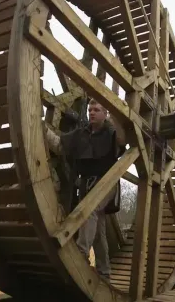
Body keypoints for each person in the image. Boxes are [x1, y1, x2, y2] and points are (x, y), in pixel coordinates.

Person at [45, 98, 126, 283]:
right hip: (86, 186)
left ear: (105, 114)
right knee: (99, 232)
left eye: (97, 109)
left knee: (90, 212)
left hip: (106, 184)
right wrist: (42, 129)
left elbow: (122, 141)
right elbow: (59, 145)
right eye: (90, 109)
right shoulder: (80, 134)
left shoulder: (112, 133)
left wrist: (118, 115)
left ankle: (80, 255)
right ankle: (104, 273)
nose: (92, 112)